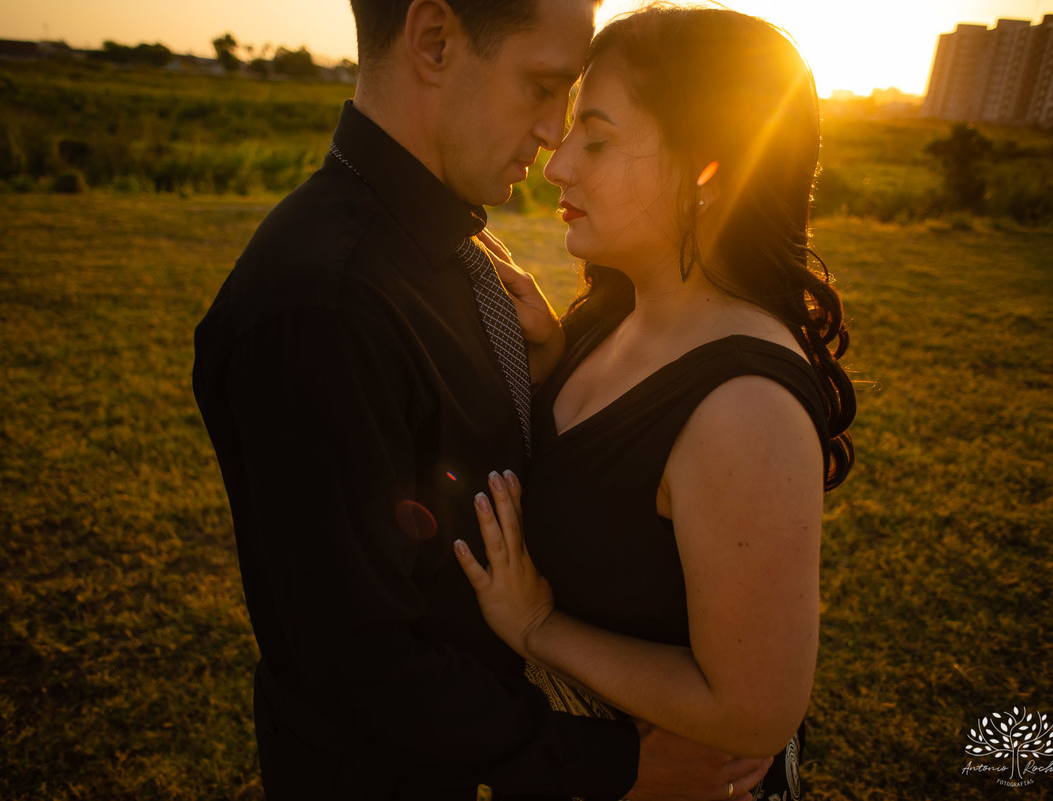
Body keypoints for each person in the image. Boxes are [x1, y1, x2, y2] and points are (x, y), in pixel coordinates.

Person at [192, 0, 772, 798]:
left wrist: (548, 373)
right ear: (434, 40)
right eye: (542, 88)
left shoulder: (454, 247)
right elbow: (358, 660)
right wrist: (622, 767)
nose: (551, 138)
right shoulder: (318, 307)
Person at [453, 7, 857, 801]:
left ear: (707, 171)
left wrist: (539, 627)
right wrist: (546, 364)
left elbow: (752, 714)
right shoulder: (612, 315)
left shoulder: (744, 410)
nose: (556, 163)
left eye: (595, 138)